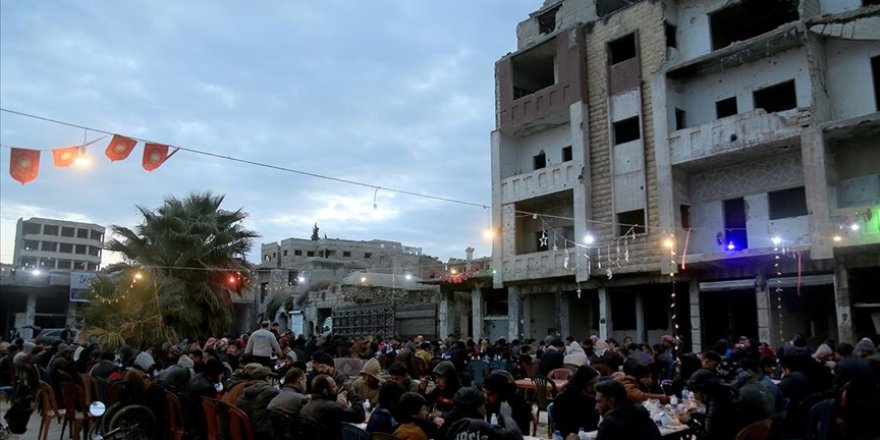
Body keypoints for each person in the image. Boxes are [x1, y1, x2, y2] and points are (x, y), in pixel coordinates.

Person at [680, 369, 744, 440]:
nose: (695, 396)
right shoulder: (725, 394)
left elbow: (707, 437)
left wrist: (689, 422)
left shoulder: (716, 406)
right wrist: (696, 415)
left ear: (703, 391)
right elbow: (716, 423)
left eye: (695, 392)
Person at [299, 374, 366, 440]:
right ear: (325, 391)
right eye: (333, 386)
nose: (337, 388)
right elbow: (359, 416)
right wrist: (351, 391)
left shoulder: (306, 406)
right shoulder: (331, 407)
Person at [441, 387, 522, 440]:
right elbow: (515, 436)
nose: (485, 408)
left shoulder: (450, 428)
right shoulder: (480, 426)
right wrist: (507, 416)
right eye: (483, 405)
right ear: (477, 407)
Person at [594, 379, 661, 440]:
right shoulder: (642, 414)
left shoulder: (609, 423)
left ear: (611, 401)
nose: (596, 407)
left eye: (599, 402)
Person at [552, 365, 600, 437]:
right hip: (577, 434)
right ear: (585, 384)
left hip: (563, 433)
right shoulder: (584, 400)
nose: (594, 388)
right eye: (592, 385)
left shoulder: (564, 391)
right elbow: (591, 424)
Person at [236, 363, 280, 440]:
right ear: (267, 378)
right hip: (262, 432)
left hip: (246, 430)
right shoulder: (270, 391)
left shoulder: (247, 389)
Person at [267, 367, 309, 440]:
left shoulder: (274, 399)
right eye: (305, 382)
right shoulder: (302, 400)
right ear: (300, 380)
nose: (306, 385)